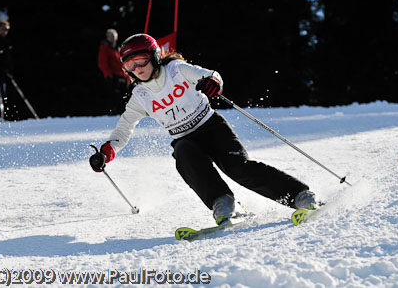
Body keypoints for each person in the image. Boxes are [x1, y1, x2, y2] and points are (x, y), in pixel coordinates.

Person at [89, 34, 318, 225]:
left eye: (140, 60)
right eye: (130, 65)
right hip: (184, 139)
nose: (137, 68)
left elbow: (211, 75)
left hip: (212, 128)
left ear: (155, 56)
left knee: (239, 168)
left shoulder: (176, 70)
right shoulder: (140, 96)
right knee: (183, 151)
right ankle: (224, 204)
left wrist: (211, 83)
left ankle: (299, 195)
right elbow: (124, 128)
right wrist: (106, 152)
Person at [97, 28, 129, 113]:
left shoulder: (117, 48)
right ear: (107, 37)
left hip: (122, 76)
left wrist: (127, 76)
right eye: (110, 36)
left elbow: (121, 63)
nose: (112, 38)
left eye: (114, 36)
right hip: (112, 77)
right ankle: (109, 113)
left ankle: (121, 113)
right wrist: (109, 75)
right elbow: (102, 63)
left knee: (124, 96)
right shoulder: (104, 48)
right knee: (113, 96)